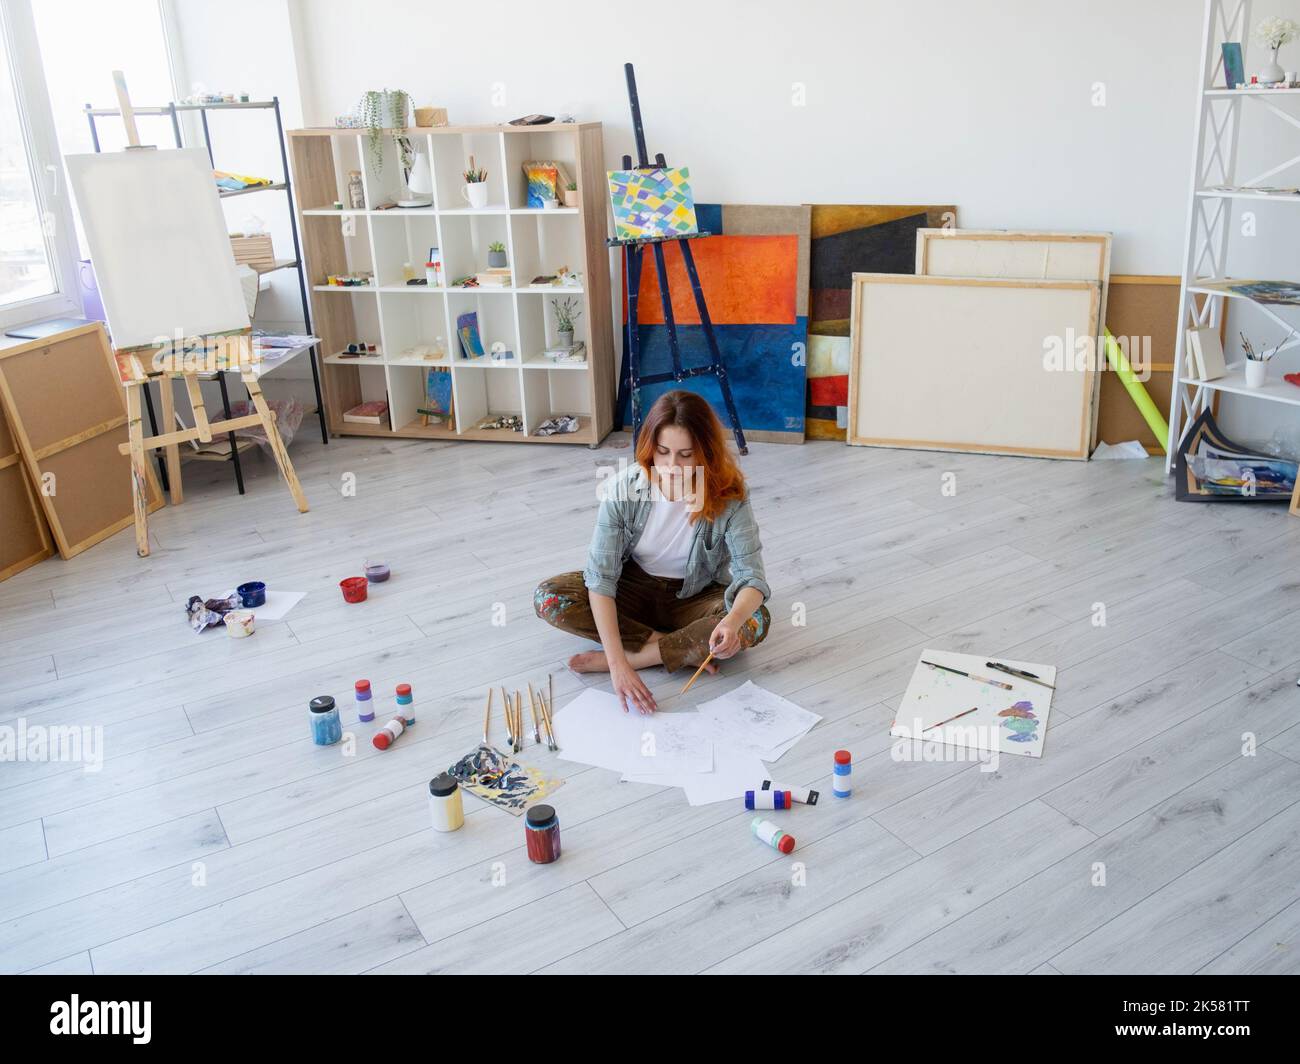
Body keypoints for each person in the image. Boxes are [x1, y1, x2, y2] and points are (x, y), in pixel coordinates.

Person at [534, 390, 771, 714]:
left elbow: (752, 578)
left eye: (686, 455)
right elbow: (601, 578)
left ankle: (643, 654)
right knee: (549, 597)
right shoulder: (623, 489)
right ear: (650, 447)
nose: (672, 466)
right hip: (633, 589)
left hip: (695, 597)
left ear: (706, 452)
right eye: (663, 452)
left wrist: (731, 623)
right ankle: (678, 646)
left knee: (754, 619)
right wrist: (621, 670)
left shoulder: (731, 496)